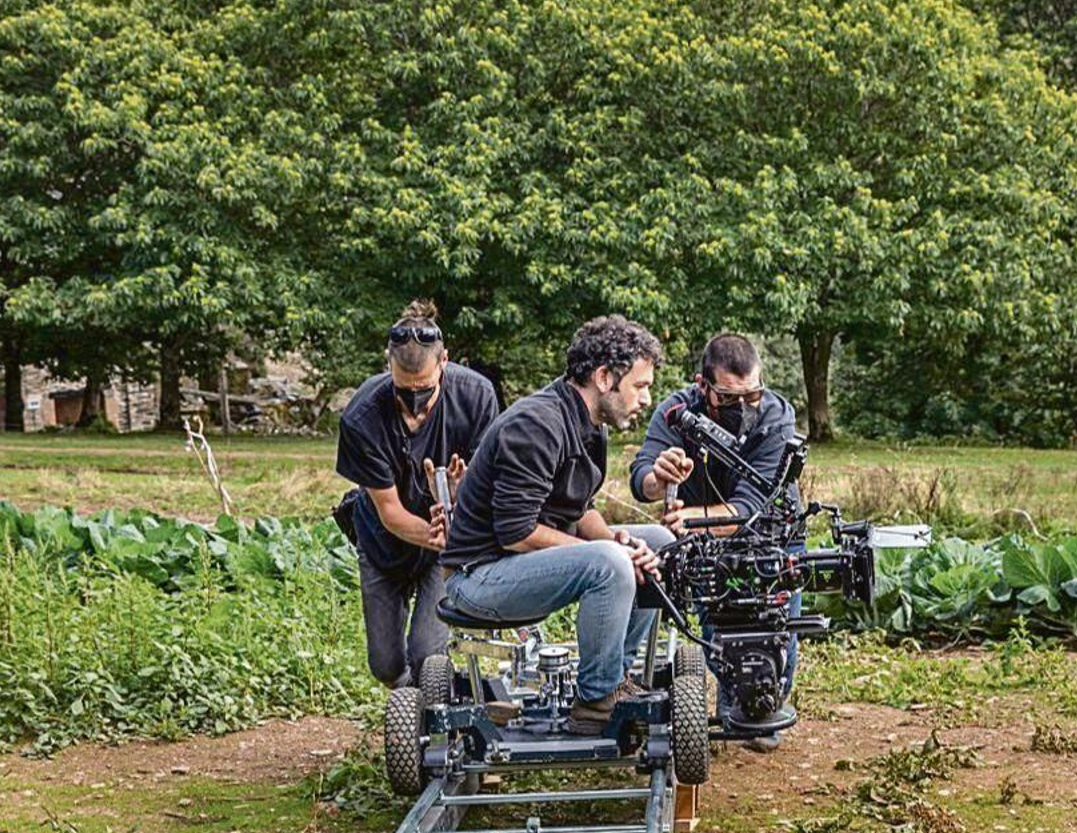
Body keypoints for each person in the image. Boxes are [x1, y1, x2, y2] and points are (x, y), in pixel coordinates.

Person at [440, 316, 675, 735]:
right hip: (479, 577)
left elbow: (580, 509)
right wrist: (610, 553)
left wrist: (619, 540)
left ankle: (616, 679)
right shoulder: (536, 424)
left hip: (522, 566)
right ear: (605, 378)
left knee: (659, 540)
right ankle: (596, 703)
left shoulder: (588, 425)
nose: (646, 398)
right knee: (607, 562)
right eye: (640, 386)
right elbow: (516, 533)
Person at [629, 332, 801, 751]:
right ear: (702, 385)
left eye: (752, 394)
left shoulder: (777, 417)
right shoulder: (675, 411)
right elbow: (641, 478)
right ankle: (731, 692)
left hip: (772, 540)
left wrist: (687, 518)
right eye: (727, 398)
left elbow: (750, 506)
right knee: (715, 631)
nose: (742, 407)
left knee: (778, 634)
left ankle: (765, 703)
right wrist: (660, 477)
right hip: (706, 547)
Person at [336, 300, 498, 689]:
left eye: (424, 389)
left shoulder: (476, 397)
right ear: (387, 365)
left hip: (446, 546)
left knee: (428, 654)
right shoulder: (362, 416)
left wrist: (462, 496)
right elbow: (389, 510)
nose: (415, 405)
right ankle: (411, 704)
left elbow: (492, 483)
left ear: (445, 361)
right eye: (403, 390)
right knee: (387, 666)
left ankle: (431, 721)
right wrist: (433, 531)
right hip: (383, 541)